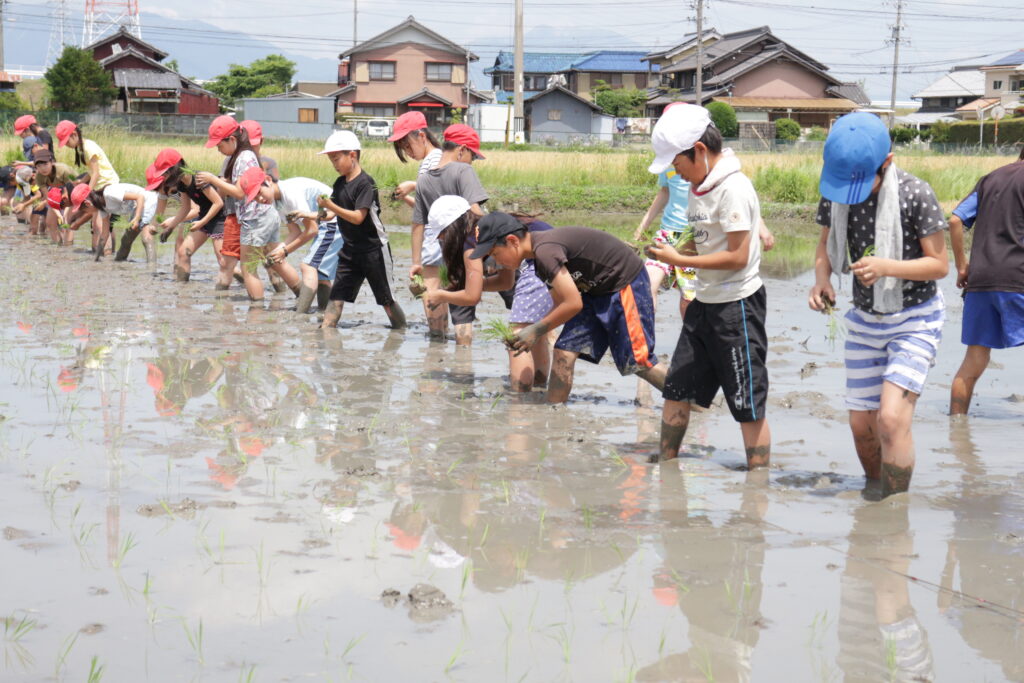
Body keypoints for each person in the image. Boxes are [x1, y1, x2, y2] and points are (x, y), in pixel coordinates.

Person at [807, 111, 948, 497]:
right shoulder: (836, 195)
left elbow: (939, 265)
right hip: (865, 319)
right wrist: (822, 281)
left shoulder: (915, 194)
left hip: (914, 317)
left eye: (861, 182)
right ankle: (876, 496)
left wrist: (888, 267)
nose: (850, 193)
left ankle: (894, 508)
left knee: (889, 419)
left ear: (886, 163)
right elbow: (824, 247)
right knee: (861, 425)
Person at [644, 104, 771, 470]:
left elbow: (737, 256)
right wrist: (675, 251)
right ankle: (666, 463)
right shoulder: (700, 186)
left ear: (699, 150)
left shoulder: (733, 188)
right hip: (704, 301)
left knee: (747, 403)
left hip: (737, 307)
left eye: (677, 164)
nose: (676, 174)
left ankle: (757, 483)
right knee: (676, 388)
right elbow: (704, 243)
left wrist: (680, 260)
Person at [472, 219, 665, 403]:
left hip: (623, 282)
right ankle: (554, 409)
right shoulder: (539, 262)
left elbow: (573, 304)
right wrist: (531, 330)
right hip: (593, 291)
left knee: (639, 362)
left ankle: (687, 400)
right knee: (564, 352)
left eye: (495, 253)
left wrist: (536, 330)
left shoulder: (545, 251)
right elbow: (560, 302)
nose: (496, 261)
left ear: (512, 241)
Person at [948, 145, 1024, 414]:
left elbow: (955, 220)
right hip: (1018, 278)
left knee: (973, 360)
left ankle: (957, 430)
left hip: (980, 280)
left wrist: (961, 265)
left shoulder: (990, 179)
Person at [316, 130, 405, 330]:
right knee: (336, 296)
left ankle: (400, 332)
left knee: (386, 300)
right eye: (331, 160)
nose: (334, 164)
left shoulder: (366, 183)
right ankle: (325, 331)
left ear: (353, 155)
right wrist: (313, 214)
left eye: (336, 158)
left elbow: (358, 217)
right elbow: (332, 215)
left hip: (374, 249)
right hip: (350, 250)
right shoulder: (339, 183)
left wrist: (331, 206)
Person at [410, 124, 489, 343]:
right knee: (460, 303)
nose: (472, 162)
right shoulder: (463, 171)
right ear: (462, 150)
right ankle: (463, 356)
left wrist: (415, 262)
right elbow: (475, 211)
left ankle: (436, 345)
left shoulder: (424, 179)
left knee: (433, 294)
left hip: (434, 244)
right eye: (472, 156)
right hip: (461, 246)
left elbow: (418, 224)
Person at [146, 148, 230, 284]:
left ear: (174, 169)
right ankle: (182, 288)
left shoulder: (199, 179)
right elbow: (185, 208)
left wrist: (201, 222)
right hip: (204, 218)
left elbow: (218, 203)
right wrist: (170, 228)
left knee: (224, 262)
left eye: (165, 174)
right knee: (183, 252)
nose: (164, 178)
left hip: (219, 219)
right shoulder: (182, 185)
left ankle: (242, 283)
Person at [262, 175, 341, 314]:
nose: (260, 199)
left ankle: (301, 313)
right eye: (254, 198)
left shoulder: (290, 194)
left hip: (333, 221)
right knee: (321, 273)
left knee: (308, 266)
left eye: (259, 193)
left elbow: (311, 230)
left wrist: (284, 251)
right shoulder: (277, 201)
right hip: (324, 224)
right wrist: (277, 251)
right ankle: (323, 313)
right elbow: (295, 231)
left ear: (268, 181)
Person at [55, 120, 119, 255]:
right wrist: (80, 181)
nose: (66, 145)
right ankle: (107, 253)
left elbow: (96, 173)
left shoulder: (88, 147)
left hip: (107, 185)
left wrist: (87, 192)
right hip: (101, 186)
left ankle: (106, 255)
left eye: (66, 142)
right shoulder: (81, 147)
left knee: (100, 224)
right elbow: (91, 172)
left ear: (74, 134)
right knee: (100, 223)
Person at [68, 180, 160, 262]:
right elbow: (104, 234)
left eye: (84, 210)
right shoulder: (102, 208)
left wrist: (136, 218)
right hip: (137, 209)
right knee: (126, 240)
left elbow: (140, 197)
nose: (85, 213)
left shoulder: (109, 194)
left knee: (146, 238)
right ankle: (119, 262)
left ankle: (151, 269)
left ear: (87, 203)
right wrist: (96, 257)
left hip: (148, 202)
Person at [388, 111, 442, 208]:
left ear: (422, 136)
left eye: (408, 146)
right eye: (404, 149)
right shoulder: (427, 161)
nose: (408, 153)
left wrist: (413, 185)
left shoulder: (436, 157)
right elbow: (423, 206)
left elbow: (438, 187)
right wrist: (403, 196)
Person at [32, 150, 76, 245]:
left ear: (52, 162)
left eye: (45, 164)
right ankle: (58, 248)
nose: (43, 168)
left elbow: (72, 190)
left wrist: (64, 213)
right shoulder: (39, 177)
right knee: (50, 222)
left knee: (67, 221)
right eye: (39, 166)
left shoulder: (63, 170)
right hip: (57, 192)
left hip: (74, 191)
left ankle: (68, 249)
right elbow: (48, 197)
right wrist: (57, 213)